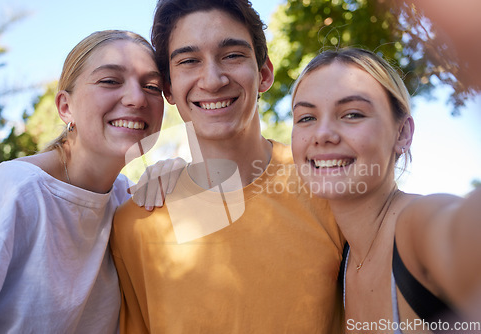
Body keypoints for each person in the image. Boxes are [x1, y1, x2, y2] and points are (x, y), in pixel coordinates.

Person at [109, 0, 345, 333]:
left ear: (263, 74)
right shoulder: (134, 224)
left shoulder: (327, 186)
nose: (213, 79)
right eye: (189, 61)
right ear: (169, 89)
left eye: (232, 55)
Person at [0, 30, 168, 333]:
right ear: (66, 106)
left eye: (152, 86)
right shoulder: (15, 192)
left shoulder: (127, 200)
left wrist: (180, 182)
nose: (137, 99)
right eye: (110, 80)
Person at [291, 47, 481, 333]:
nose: (323, 135)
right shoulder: (336, 262)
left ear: (402, 133)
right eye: (306, 118)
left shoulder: (417, 225)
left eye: (352, 114)